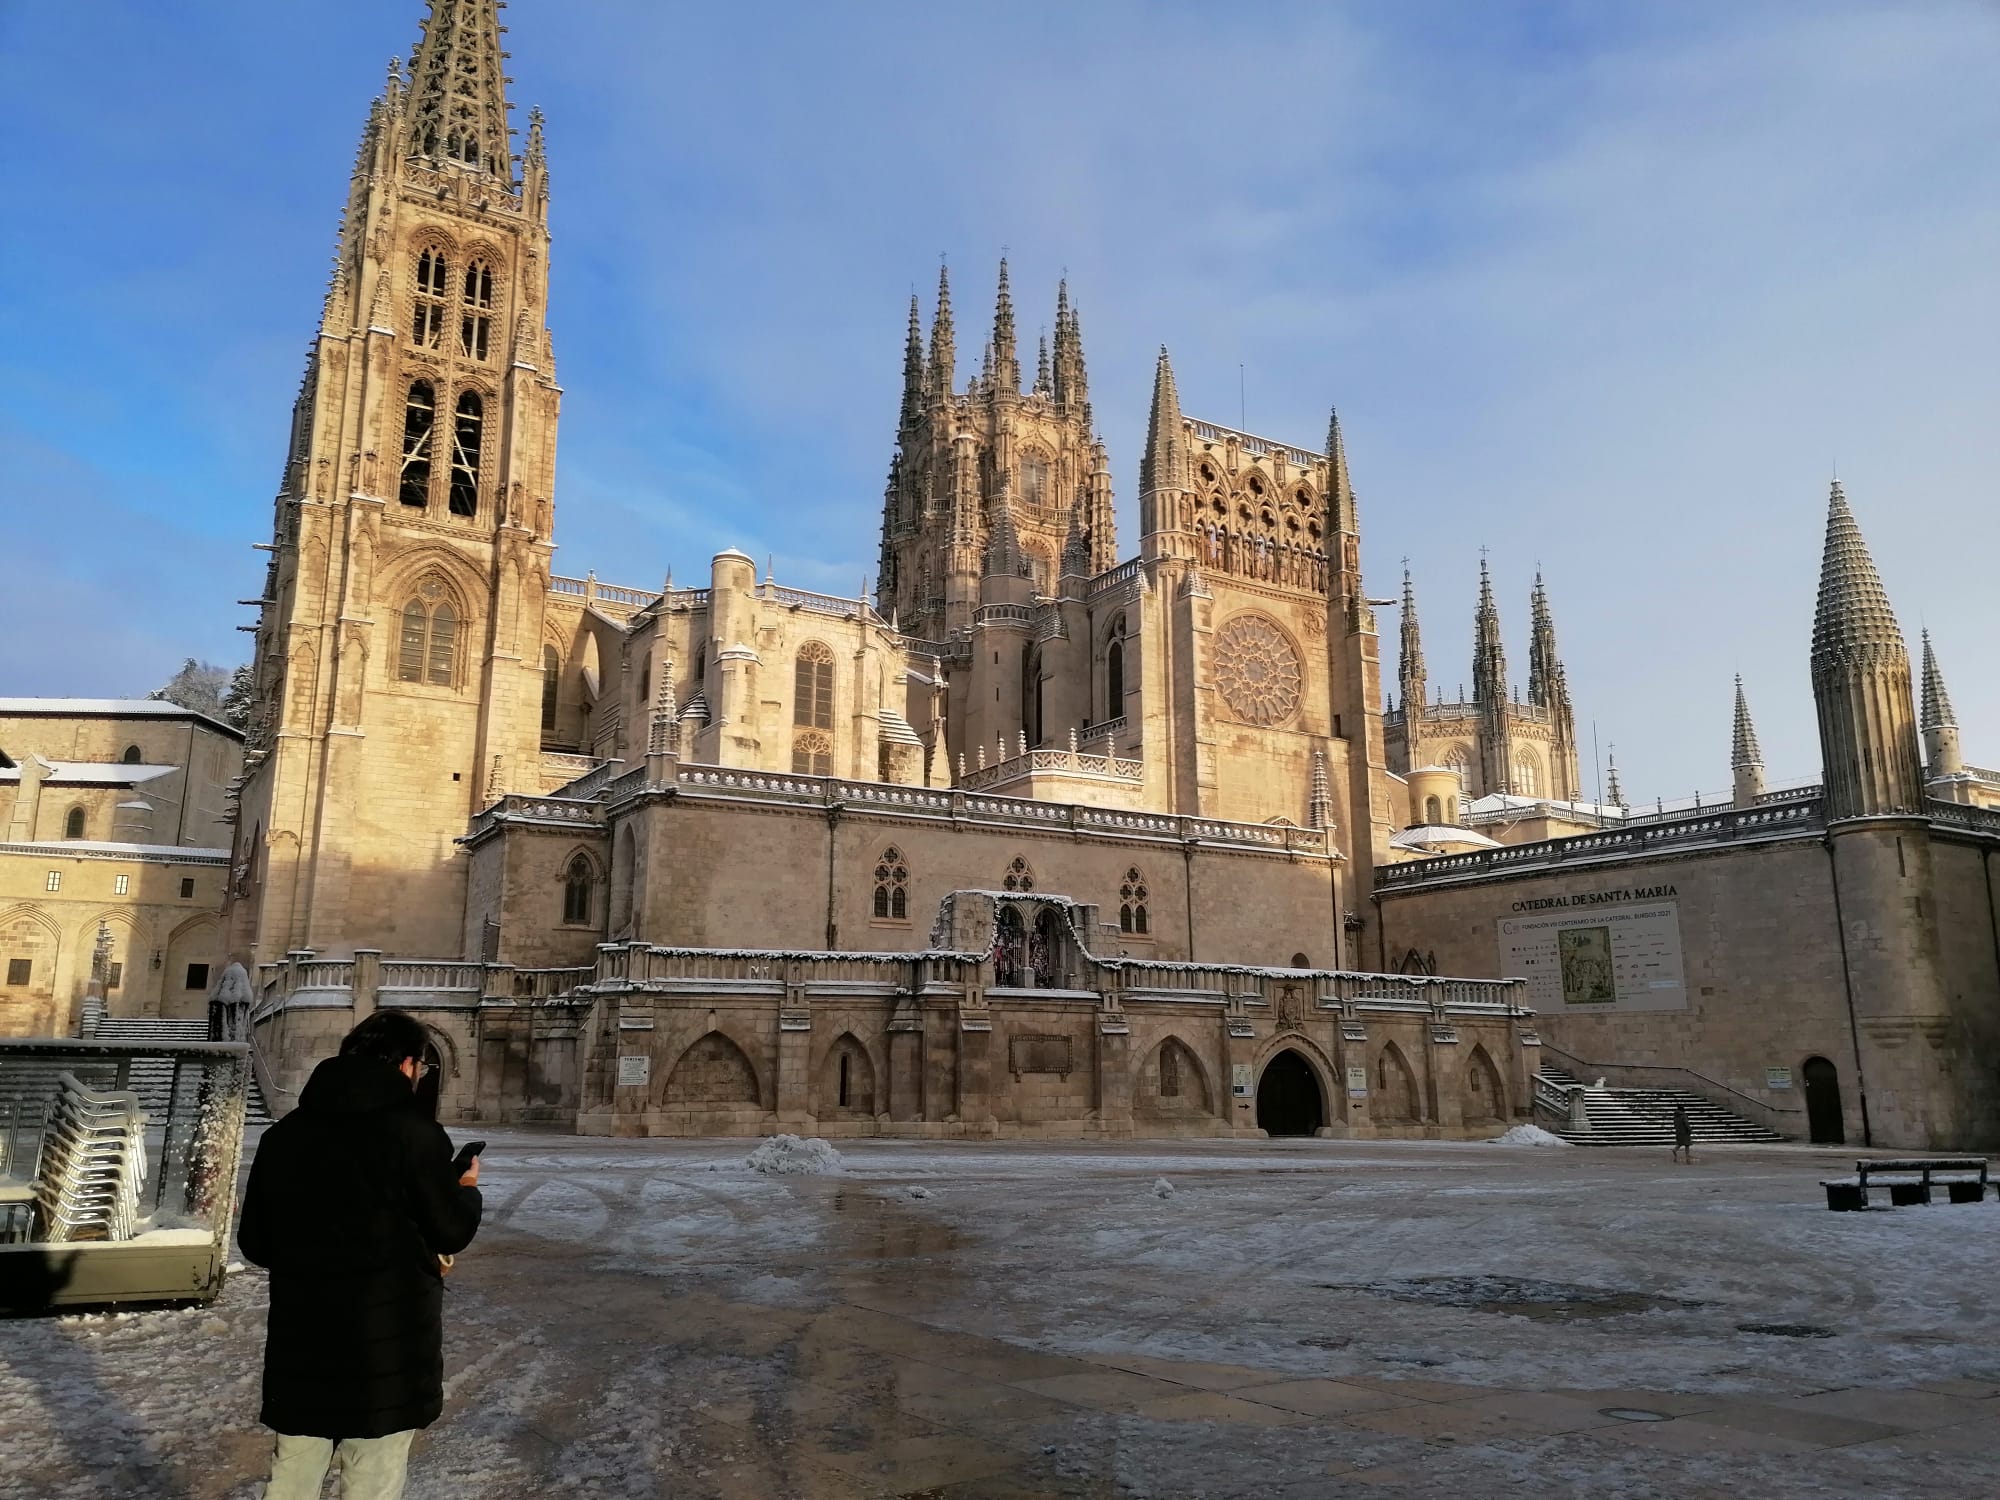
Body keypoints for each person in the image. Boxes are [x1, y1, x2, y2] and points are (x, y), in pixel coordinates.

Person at [238, 1010, 483, 1500]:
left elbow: (256, 1243)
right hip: (386, 1343)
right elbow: (450, 1230)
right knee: (373, 1473)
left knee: (293, 1473)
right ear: (408, 1065)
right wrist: (467, 1189)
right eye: (422, 1067)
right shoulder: (414, 1134)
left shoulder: (283, 1136)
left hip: (303, 1337)